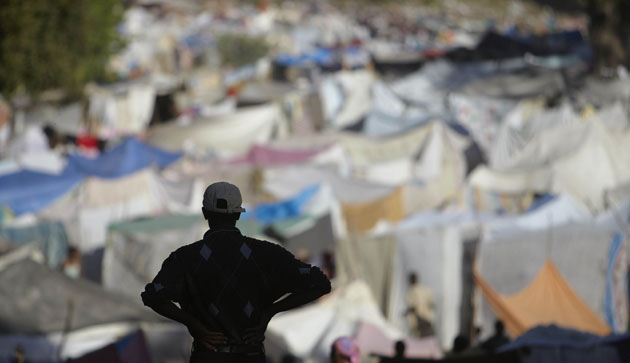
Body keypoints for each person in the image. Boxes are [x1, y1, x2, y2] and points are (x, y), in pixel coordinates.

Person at [141, 182, 331, 363]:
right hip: (250, 357)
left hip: (208, 358)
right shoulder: (267, 254)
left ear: (205, 213)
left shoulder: (184, 258)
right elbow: (320, 283)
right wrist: (271, 311)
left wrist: (192, 323)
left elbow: (153, 296)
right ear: (238, 215)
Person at [404, 272, 435, 338]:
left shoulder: (411, 292)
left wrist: (406, 312)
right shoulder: (425, 290)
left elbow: (413, 308)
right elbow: (432, 304)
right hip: (426, 322)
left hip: (420, 324)